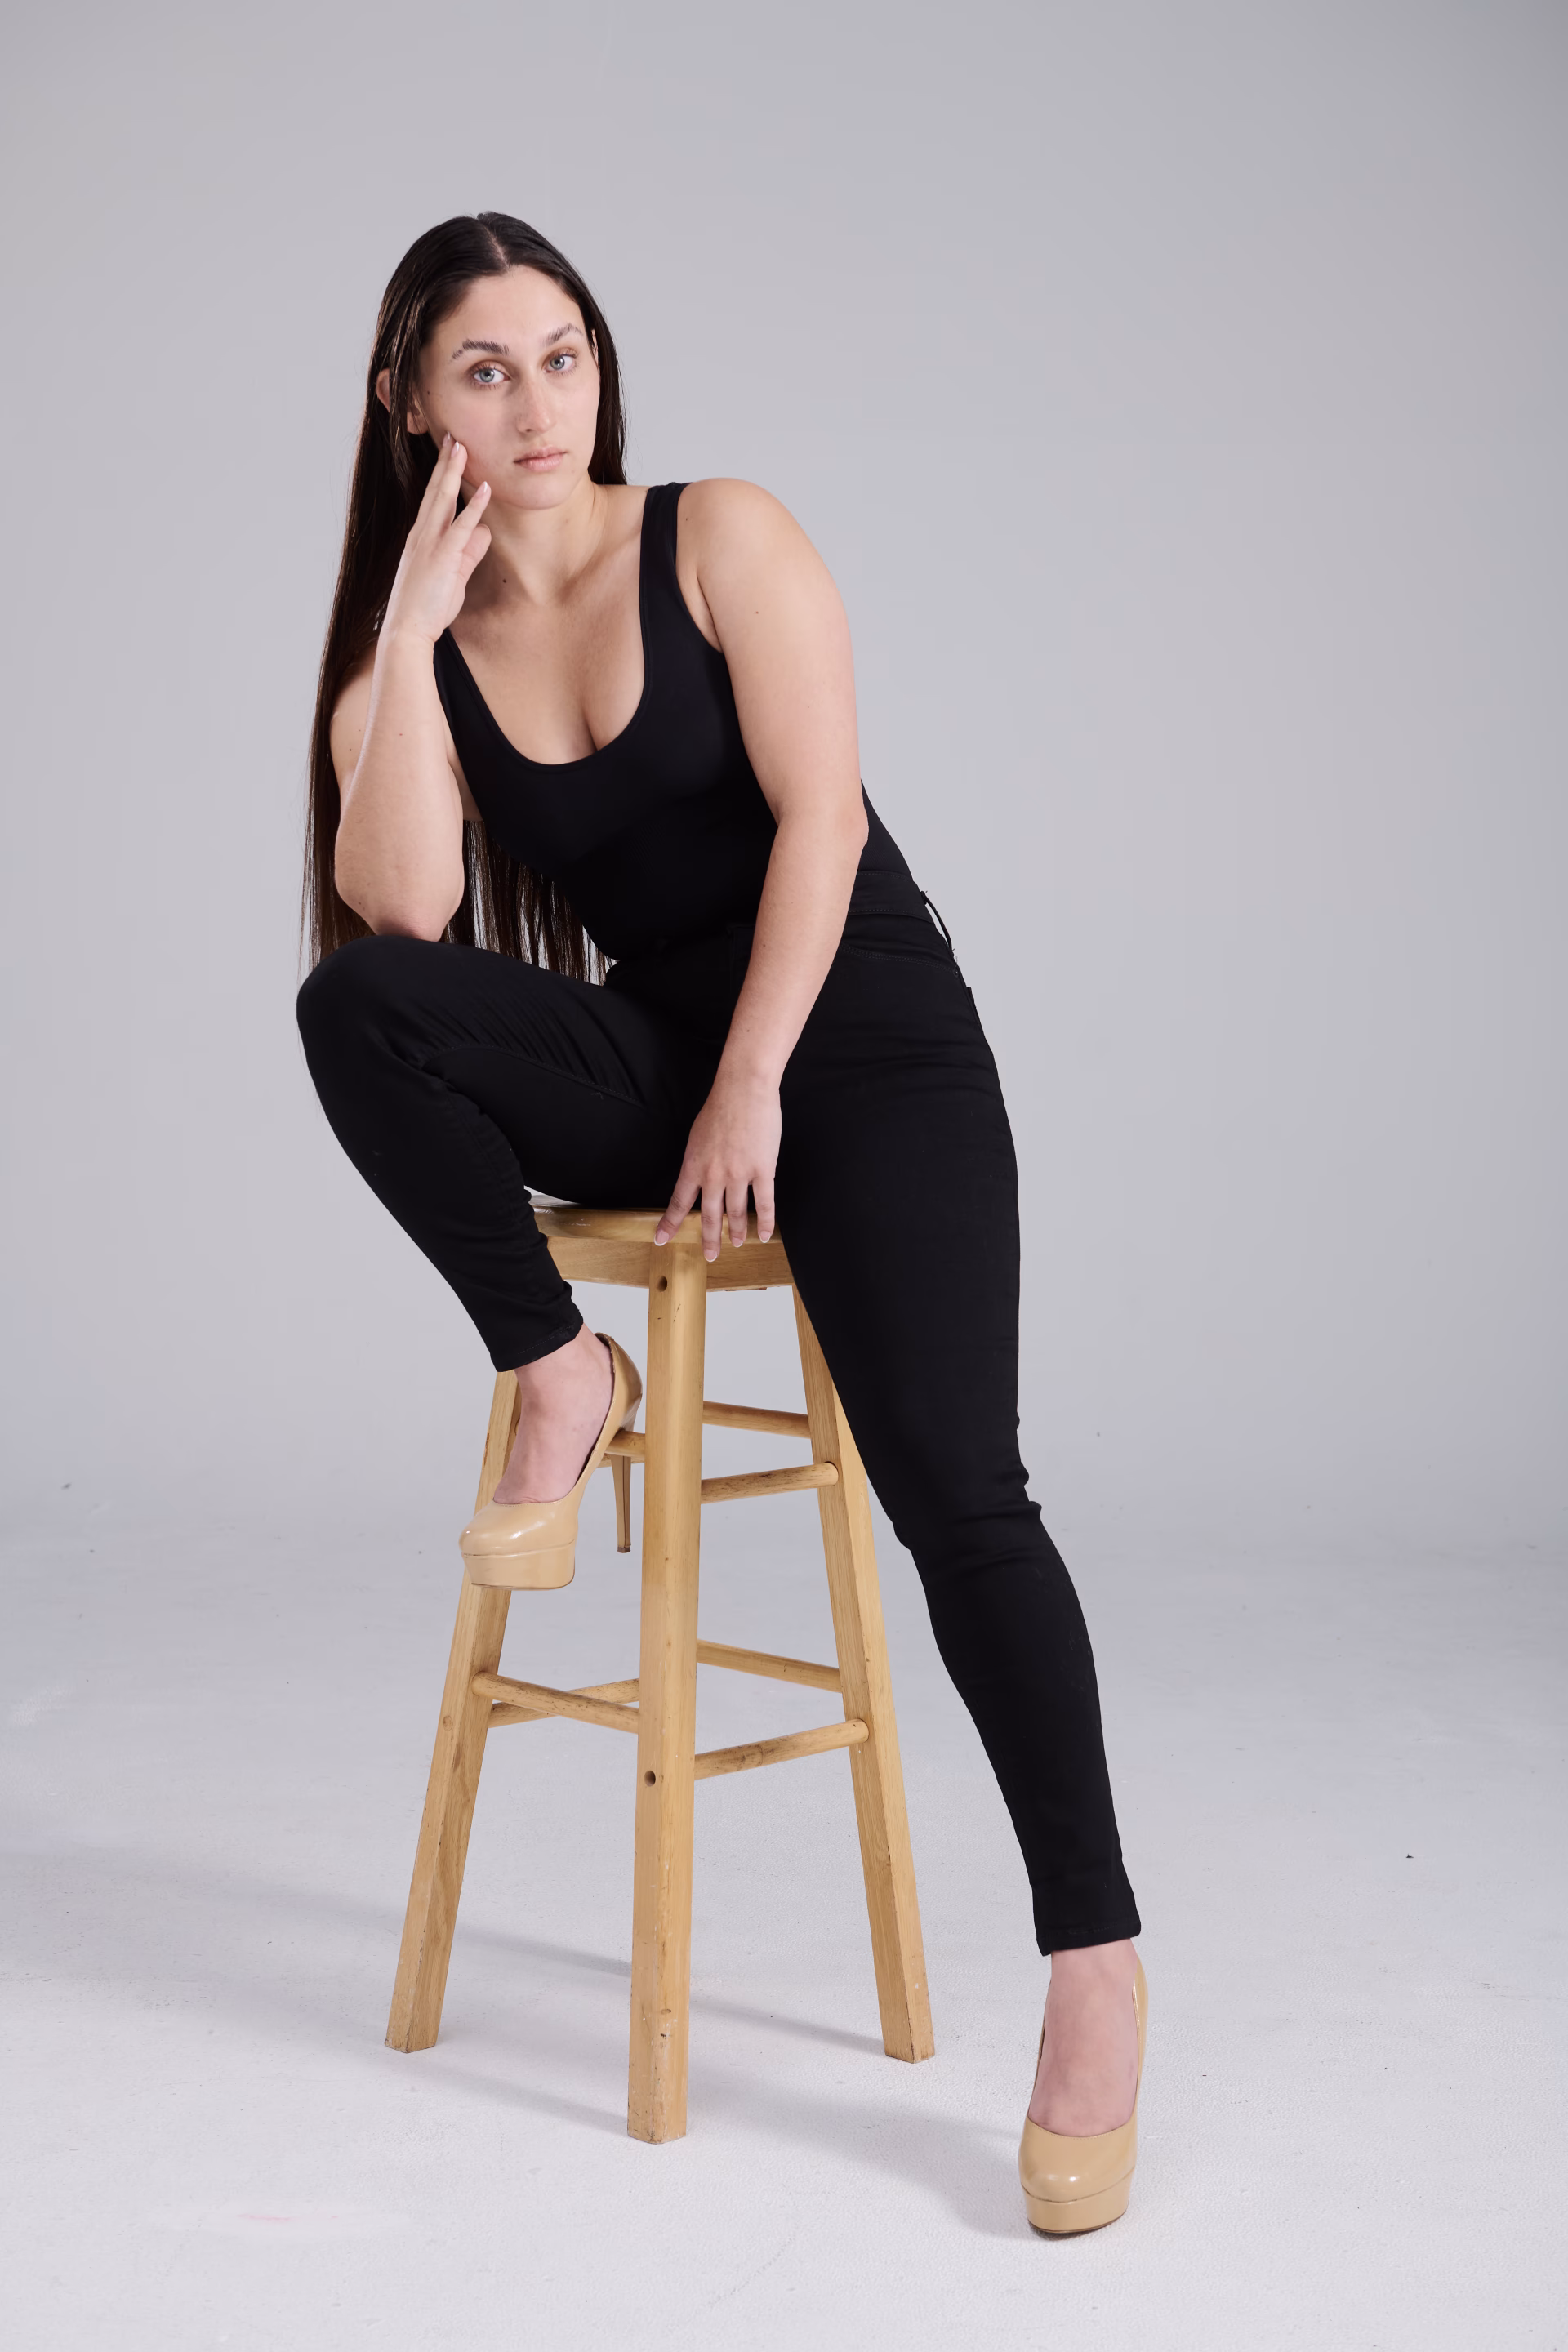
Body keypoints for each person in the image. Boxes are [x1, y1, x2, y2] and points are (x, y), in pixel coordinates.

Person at [296, 212, 1147, 2232]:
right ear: (409, 404)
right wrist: (407, 637)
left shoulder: (720, 537)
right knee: (355, 1009)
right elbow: (403, 919)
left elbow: (824, 823)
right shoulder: (417, 662)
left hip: (863, 1043)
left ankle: (1097, 1967)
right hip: (663, 1058)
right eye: (484, 368)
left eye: (562, 356)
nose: (536, 404)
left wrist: (759, 1077)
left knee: (961, 1492)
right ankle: (556, 1366)